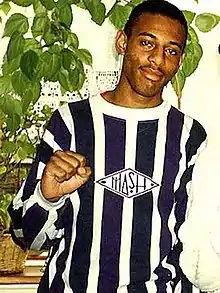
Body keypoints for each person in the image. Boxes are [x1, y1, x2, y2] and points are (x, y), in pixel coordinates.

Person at [8, 0, 217, 292]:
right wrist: (47, 197)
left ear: (180, 61)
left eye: (171, 50)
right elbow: (27, 238)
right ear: (122, 42)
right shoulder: (70, 123)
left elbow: (194, 245)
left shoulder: (191, 137)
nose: (157, 60)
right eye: (147, 43)